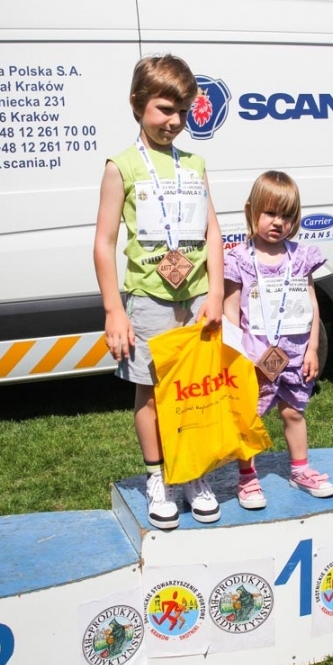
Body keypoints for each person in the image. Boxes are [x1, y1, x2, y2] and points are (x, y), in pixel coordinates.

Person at [94, 54, 224, 530]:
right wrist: (114, 310)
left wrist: (215, 292)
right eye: (165, 109)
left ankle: (192, 473)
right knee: (150, 395)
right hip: (148, 302)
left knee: (194, 391)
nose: (174, 121)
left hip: (197, 300)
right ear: (137, 104)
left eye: (183, 112)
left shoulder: (195, 164)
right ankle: (158, 478)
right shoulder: (122, 166)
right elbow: (104, 242)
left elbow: (212, 231)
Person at [223, 171, 333, 509]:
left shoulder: (301, 257)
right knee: (248, 419)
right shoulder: (238, 259)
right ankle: (247, 477)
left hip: (295, 357)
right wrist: (237, 356)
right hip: (254, 359)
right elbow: (231, 311)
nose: (278, 222)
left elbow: (312, 305)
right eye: (270, 213)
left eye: (286, 215)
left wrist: (312, 348)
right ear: (251, 210)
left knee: (294, 413)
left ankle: (300, 470)